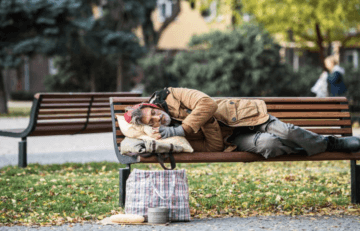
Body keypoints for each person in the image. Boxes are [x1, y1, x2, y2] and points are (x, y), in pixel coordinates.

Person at [124, 87, 360, 159]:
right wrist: (202, 124)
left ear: (153, 107)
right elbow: (214, 147)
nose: (156, 119)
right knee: (270, 145)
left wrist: (182, 127)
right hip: (235, 139)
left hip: (247, 117)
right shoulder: (172, 138)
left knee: (286, 131)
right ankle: (316, 147)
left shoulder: (173, 94)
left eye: (152, 113)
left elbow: (207, 104)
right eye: (150, 122)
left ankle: (330, 143)